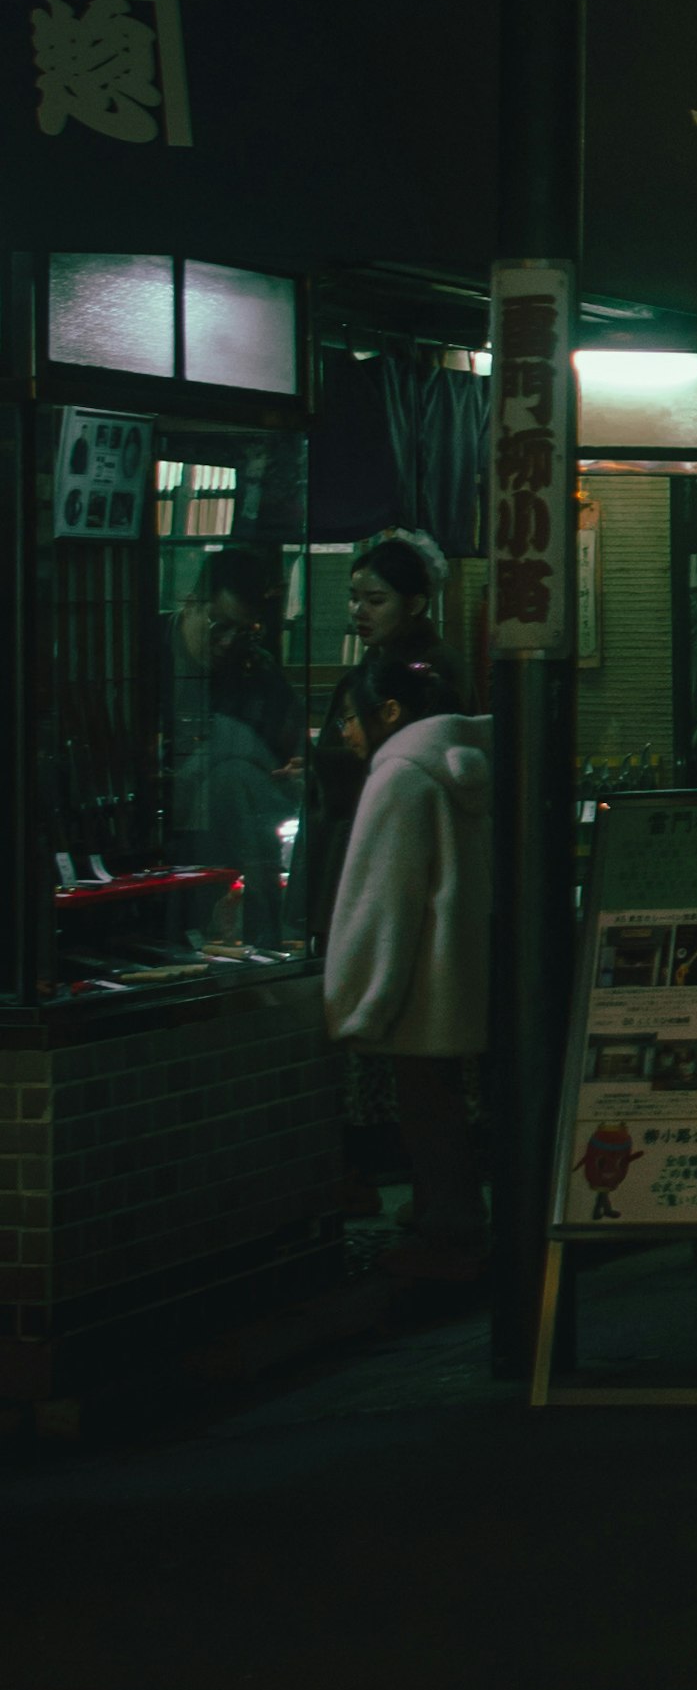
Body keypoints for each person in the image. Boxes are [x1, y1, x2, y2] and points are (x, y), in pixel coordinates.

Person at [322, 690, 495, 1281]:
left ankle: (449, 1231)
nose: (343, 731)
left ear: (390, 711)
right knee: (466, 1105)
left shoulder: (398, 776)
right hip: (469, 972)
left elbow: (381, 901)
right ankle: (468, 1222)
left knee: (426, 1107)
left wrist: (355, 997)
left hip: (420, 977)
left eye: (347, 716)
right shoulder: (473, 761)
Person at [300, 531, 455, 961]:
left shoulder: (423, 675)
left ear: (416, 604)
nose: (358, 611)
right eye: (354, 598)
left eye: (375, 600)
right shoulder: (380, 660)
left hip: (386, 850)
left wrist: (322, 765)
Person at [170, 542, 303, 950]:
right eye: (219, 625)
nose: (229, 642)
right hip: (168, 831)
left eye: (243, 632)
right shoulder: (144, 655)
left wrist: (297, 770)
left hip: (246, 836)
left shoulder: (258, 671)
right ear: (192, 604)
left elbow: (291, 754)